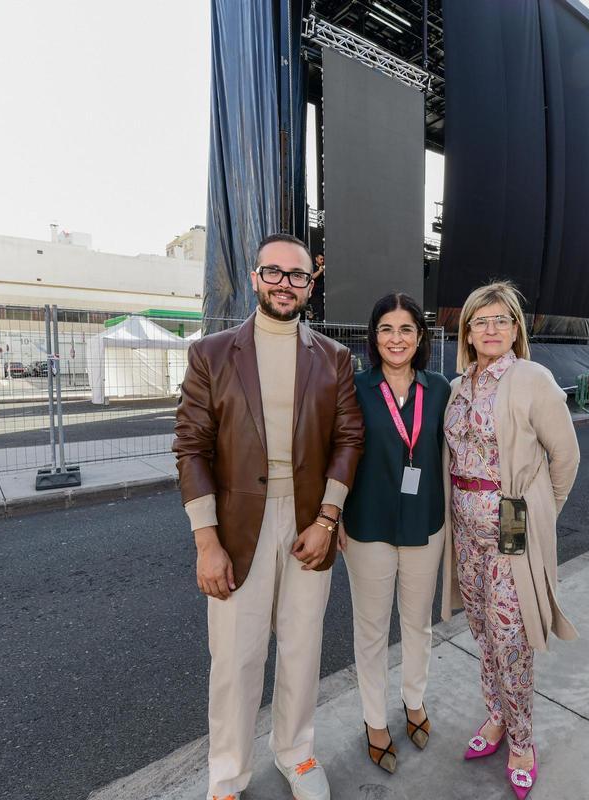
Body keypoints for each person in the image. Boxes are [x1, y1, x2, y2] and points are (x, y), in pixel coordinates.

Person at [173, 233, 364, 800]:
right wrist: (206, 542)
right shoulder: (211, 353)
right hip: (236, 529)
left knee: (303, 649)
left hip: (310, 524)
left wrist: (327, 520)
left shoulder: (334, 358)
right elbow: (191, 448)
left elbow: (349, 440)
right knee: (235, 660)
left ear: (312, 283)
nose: (286, 283)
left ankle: (297, 754)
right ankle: (227, 775)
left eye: (298, 275)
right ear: (255, 278)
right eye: (273, 272)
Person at [440, 281, 580, 799]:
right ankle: (495, 716)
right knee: (482, 629)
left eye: (502, 319)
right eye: (481, 321)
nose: (492, 328)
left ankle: (521, 740)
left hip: (510, 523)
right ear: (468, 333)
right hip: (464, 528)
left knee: (511, 637)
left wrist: (540, 514)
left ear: (516, 329)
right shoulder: (459, 386)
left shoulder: (531, 378)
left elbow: (565, 458)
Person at [338, 293, 450, 774]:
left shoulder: (440, 388)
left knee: (418, 624)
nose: (396, 338)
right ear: (373, 336)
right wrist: (332, 516)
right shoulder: (353, 388)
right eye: (386, 329)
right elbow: (335, 452)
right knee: (371, 631)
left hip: (425, 523)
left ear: (420, 337)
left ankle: (414, 700)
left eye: (406, 329)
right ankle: (373, 720)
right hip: (368, 526)